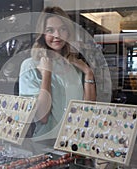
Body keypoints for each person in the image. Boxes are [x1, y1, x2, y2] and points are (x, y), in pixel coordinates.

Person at [19, 6, 96, 143]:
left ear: (68, 33)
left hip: (76, 141)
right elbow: (42, 116)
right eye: (50, 30)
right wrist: (47, 74)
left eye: (62, 29)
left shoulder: (75, 65)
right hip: (46, 143)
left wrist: (88, 73)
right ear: (42, 34)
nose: (57, 35)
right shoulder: (30, 66)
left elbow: (88, 111)